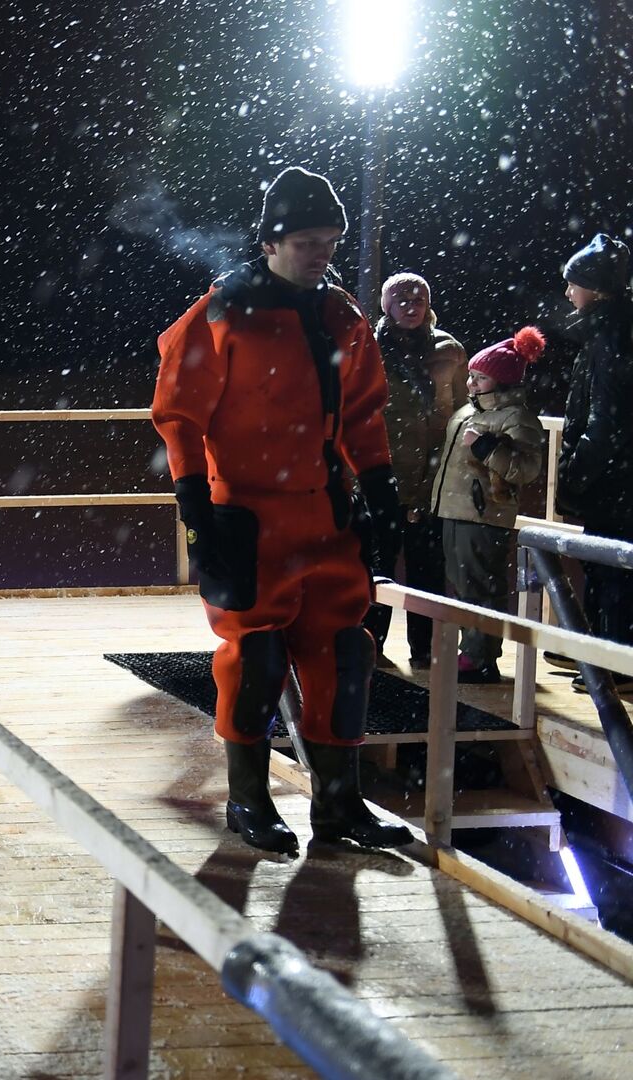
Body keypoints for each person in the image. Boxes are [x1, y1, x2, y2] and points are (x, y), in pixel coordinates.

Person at [153, 165, 413, 857]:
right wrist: (194, 503)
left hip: (326, 516)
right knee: (257, 658)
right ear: (270, 242)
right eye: (306, 242)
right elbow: (178, 413)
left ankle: (340, 806)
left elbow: (363, 414)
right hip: (248, 517)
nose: (321, 253)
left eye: (329, 241)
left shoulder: (343, 316)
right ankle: (248, 799)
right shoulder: (223, 312)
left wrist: (381, 489)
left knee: (344, 656)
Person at [430, 327, 547, 683]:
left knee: (480, 584)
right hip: (456, 509)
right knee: (462, 582)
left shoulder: (516, 418)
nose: (472, 384)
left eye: (481, 378)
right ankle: (471, 650)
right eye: (472, 376)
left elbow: (526, 469)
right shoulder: (469, 411)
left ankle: (481, 656)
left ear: (502, 382)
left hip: (483, 514)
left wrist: (486, 448)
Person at [365, 273, 466, 670]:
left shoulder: (448, 351)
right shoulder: (368, 348)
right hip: (380, 474)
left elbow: (461, 411)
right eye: (401, 300)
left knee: (428, 570)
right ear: (386, 306)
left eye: (418, 299)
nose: (411, 307)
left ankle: (425, 650)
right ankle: (371, 645)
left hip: (432, 477)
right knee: (378, 566)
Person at [555, 233, 633, 691]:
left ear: (595, 288)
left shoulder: (609, 336)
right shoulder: (614, 329)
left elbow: (605, 420)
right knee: (608, 566)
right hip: (618, 478)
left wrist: (575, 474)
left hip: (614, 481)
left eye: (574, 284)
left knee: (612, 568)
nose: (568, 293)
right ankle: (601, 653)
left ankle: (613, 662)